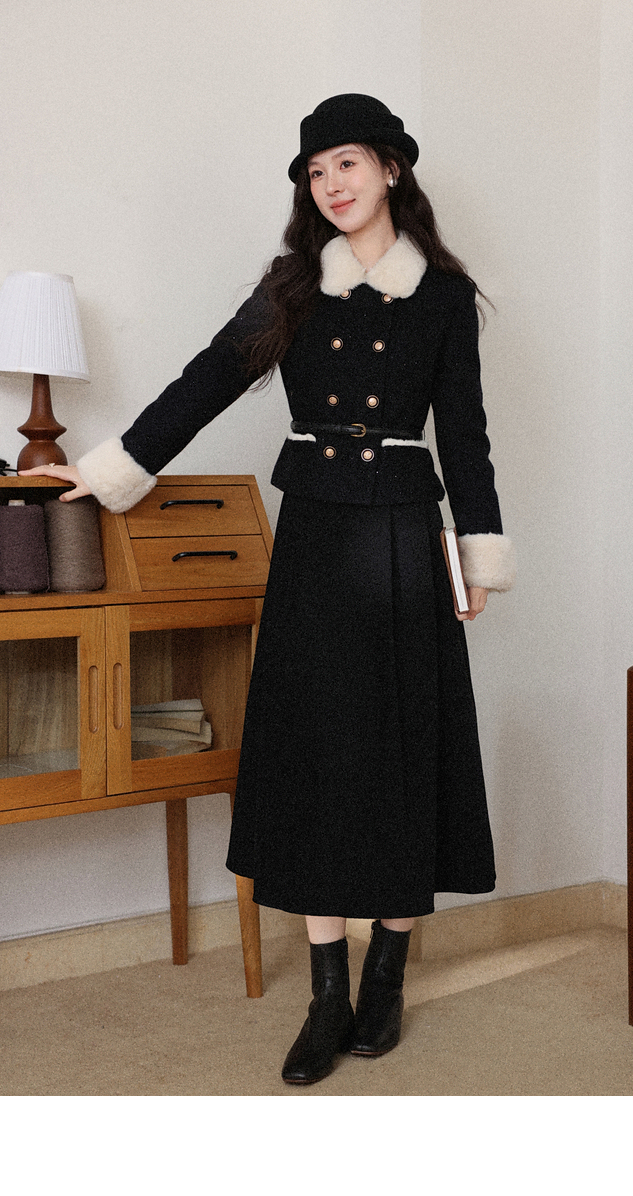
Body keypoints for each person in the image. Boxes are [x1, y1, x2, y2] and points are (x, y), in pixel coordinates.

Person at [22, 94, 516, 1085]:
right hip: (317, 534)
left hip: (402, 535)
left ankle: (386, 976)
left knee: (401, 750)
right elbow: (208, 379)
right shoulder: (292, 287)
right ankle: (326, 993)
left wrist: (478, 553)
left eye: (347, 163)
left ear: (391, 169)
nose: (331, 185)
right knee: (316, 753)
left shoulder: (445, 298)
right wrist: (110, 467)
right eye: (315, 171)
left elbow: (464, 435)